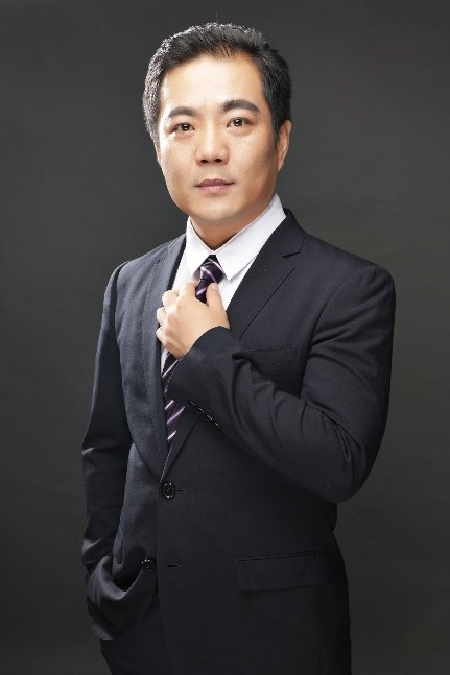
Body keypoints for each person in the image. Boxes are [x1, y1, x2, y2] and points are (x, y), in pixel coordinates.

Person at [81, 22, 396, 675]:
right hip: (141, 629)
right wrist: (103, 574)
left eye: (238, 121)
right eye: (183, 126)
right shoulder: (130, 282)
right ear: (158, 145)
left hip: (273, 637)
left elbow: (338, 460)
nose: (210, 150)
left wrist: (208, 353)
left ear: (281, 140)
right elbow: (109, 447)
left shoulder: (349, 288)